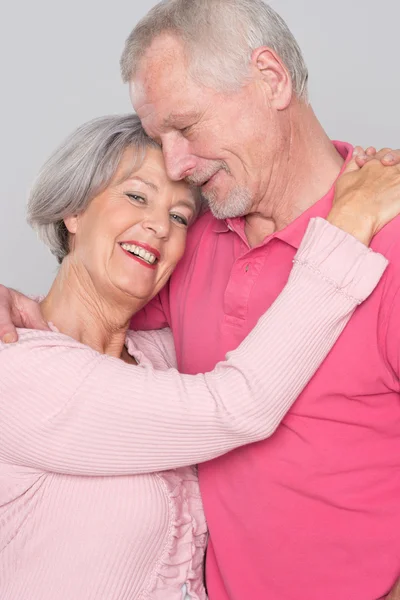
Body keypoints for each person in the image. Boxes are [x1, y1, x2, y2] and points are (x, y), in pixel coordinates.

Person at [1, 1, 400, 599]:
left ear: (271, 78)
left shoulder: (389, 242)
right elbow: (91, 327)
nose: (176, 163)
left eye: (185, 127)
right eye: (160, 141)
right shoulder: (195, 249)